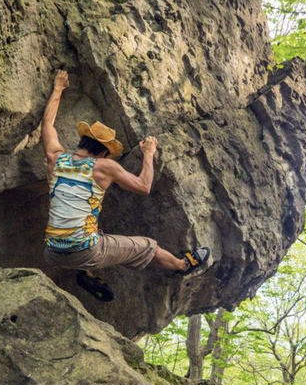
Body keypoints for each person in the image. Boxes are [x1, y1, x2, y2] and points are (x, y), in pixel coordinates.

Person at [40, 70, 210, 302]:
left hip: (51, 252)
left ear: (82, 142)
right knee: (147, 246)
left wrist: (58, 88)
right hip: (84, 250)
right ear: (102, 152)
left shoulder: (55, 157)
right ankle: (182, 265)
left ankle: (84, 273)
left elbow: (47, 124)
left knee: (91, 229)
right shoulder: (104, 166)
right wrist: (148, 153)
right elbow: (144, 186)